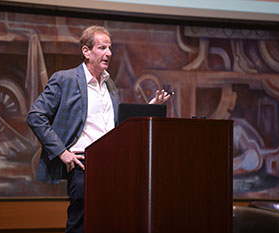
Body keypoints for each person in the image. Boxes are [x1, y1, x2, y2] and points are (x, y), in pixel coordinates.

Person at [26, 25, 171, 233]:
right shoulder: (65, 79)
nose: (109, 53)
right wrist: (61, 152)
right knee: (80, 225)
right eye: (102, 48)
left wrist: (150, 108)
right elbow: (35, 116)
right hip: (84, 165)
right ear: (86, 51)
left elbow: (116, 128)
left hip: (112, 165)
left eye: (109, 48)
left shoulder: (109, 84)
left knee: (109, 223)